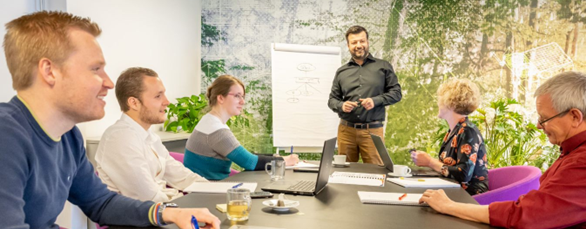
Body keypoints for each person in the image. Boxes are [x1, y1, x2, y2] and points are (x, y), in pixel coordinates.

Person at [0, 11, 219, 229]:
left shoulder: (68, 136)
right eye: (95, 69)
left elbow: (101, 203)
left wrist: (167, 213)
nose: (109, 83)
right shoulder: (6, 134)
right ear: (50, 72)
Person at [419, 71, 586, 228]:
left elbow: (525, 215)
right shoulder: (570, 152)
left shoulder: (581, 162)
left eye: (544, 119)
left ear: (575, 117)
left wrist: (449, 206)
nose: (538, 126)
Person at [95, 67, 209, 203]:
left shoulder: (149, 136)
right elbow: (147, 197)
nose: (167, 102)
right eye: (158, 96)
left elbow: (180, 175)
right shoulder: (120, 138)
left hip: (160, 211)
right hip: (139, 219)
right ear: (134, 103)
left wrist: (213, 189)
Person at [184, 75, 299, 180]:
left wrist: (277, 157)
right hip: (207, 192)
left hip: (207, 187)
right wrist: (287, 160)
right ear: (221, 98)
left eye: (243, 96)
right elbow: (250, 162)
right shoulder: (216, 130)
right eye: (237, 96)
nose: (242, 102)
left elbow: (246, 155)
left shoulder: (209, 121)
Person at [328, 25, 402, 165]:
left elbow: (396, 93)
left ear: (367, 42)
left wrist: (376, 101)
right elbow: (332, 100)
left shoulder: (383, 67)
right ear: (348, 45)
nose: (358, 45)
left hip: (372, 131)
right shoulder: (341, 72)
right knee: (344, 173)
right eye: (354, 42)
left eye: (362, 41)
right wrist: (341, 105)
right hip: (345, 132)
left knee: (376, 172)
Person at [410, 79, 489, 195]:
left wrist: (430, 162)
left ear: (450, 103)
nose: (438, 103)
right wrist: (426, 161)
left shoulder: (467, 131)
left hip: (469, 197)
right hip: (453, 190)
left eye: (440, 99)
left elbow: (463, 175)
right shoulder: (454, 130)